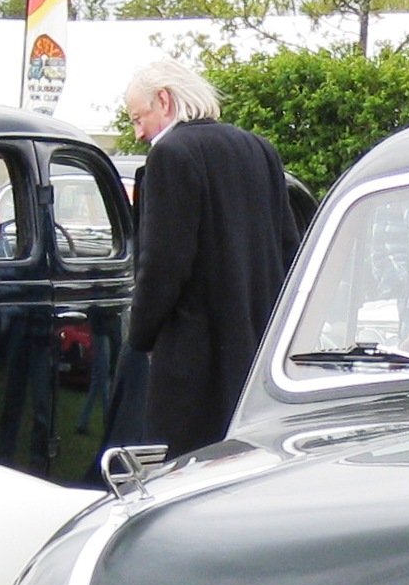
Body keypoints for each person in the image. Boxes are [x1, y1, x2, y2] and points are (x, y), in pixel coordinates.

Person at [123, 57, 300, 458]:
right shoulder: (260, 148)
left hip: (194, 357)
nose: (137, 133)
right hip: (256, 350)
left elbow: (164, 264)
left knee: (185, 471)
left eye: (139, 118)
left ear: (164, 101)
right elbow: (290, 247)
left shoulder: (170, 153)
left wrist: (141, 335)